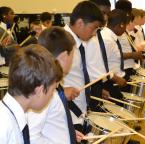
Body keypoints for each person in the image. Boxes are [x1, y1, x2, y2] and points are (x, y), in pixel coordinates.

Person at [27, 27, 84, 144]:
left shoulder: (52, 86)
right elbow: (32, 137)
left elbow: (49, 123)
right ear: (63, 57)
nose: (72, 61)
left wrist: (67, 132)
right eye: (72, 56)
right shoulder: (44, 92)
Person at [0, 44, 63, 144]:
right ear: (39, 91)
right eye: (52, 92)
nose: (51, 97)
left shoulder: (18, 116)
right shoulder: (3, 126)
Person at [63, 0, 104, 134]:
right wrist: (61, 92)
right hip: (67, 112)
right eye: (93, 28)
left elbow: (79, 73)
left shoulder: (78, 42)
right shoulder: (60, 42)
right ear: (80, 23)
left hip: (79, 110)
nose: (94, 34)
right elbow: (42, 79)